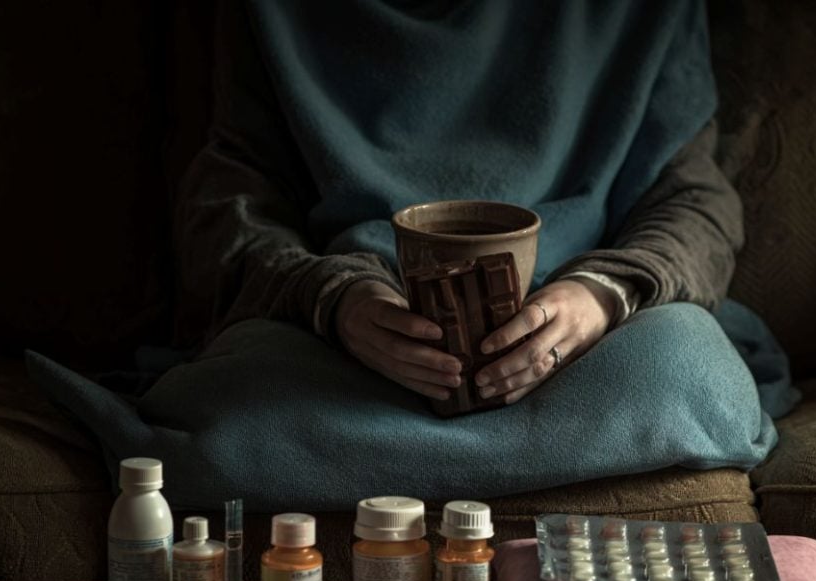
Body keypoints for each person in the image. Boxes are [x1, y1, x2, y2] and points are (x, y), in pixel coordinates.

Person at [175, 0, 744, 407]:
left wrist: (600, 296)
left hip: (589, 345)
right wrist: (333, 300)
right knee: (243, 389)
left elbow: (694, 203)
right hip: (347, 348)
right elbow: (233, 202)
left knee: (681, 365)